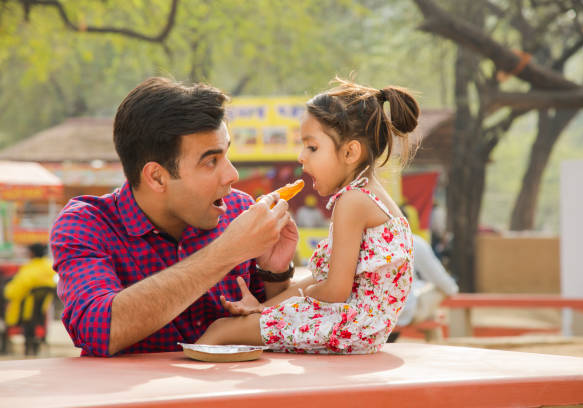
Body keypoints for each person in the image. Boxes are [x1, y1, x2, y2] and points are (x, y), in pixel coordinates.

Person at [49, 77, 298, 357]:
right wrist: (227, 251)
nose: (232, 175)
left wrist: (274, 274)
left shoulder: (239, 210)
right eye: (210, 161)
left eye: (227, 154)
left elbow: (275, 327)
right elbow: (99, 329)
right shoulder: (86, 225)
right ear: (156, 177)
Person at [199, 78, 419, 354]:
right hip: (364, 331)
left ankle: (185, 393)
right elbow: (319, 280)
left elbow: (333, 291)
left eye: (312, 147)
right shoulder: (373, 197)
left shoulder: (351, 202)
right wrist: (262, 310)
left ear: (350, 151)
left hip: (347, 328)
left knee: (219, 331)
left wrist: (296, 302)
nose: (301, 157)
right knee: (233, 327)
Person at [3, 243, 57, 329]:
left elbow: (13, 292)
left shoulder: (29, 269)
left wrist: (6, 291)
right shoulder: (51, 268)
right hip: (43, 308)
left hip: (26, 310)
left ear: (32, 253)